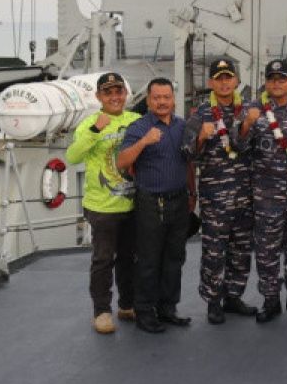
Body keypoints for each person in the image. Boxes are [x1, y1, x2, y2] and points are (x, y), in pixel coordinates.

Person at [117, 78, 193, 334]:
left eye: (166, 97)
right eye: (157, 97)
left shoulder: (183, 126)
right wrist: (143, 142)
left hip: (179, 200)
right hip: (151, 203)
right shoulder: (139, 127)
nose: (162, 102)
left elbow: (189, 161)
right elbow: (121, 161)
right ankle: (144, 311)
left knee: (175, 258)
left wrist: (192, 194)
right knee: (148, 260)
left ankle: (167, 308)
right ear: (148, 100)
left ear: (173, 99)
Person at [65, 72, 140, 334]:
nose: (114, 97)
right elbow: (73, 156)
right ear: (99, 97)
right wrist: (97, 130)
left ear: (125, 95)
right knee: (103, 260)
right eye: (108, 92)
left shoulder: (136, 121)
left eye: (118, 91)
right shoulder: (89, 124)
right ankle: (102, 312)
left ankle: (127, 304)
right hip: (102, 207)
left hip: (131, 203)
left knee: (129, 259)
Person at [241, 58, 287, 322]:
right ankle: (270, 299)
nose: (276, 83)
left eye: (282, 79)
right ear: (266, 82)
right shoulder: (253, 109)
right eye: (272, 79)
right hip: (266, 195)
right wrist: (248, 124)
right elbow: (238, 149)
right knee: (267, 250)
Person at [184, 58, 257, 325]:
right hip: (216, 198)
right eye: (219, 78)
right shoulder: (200, 114)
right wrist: (202, 137)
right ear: (211, 83)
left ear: (236, 80)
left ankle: (234, 296)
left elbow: (259, 149)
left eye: (229, 77)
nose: (225, 83)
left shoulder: (249, 110)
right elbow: (187, 153)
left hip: (245, 194)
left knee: (241, 250)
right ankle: (213, 300)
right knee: (214, 251)